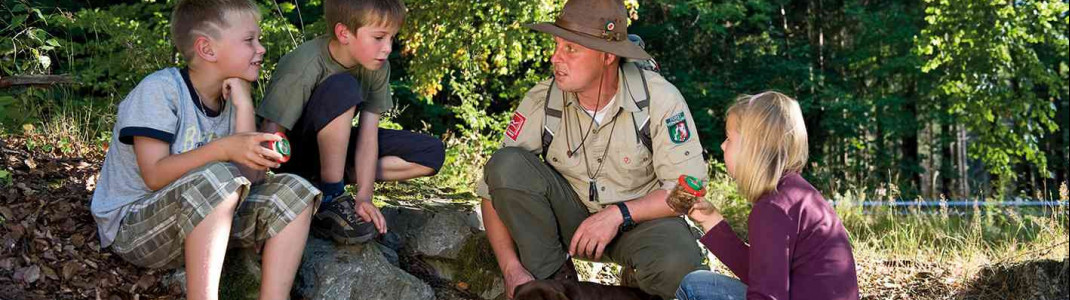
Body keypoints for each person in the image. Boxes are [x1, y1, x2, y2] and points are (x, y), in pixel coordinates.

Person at [475, 0, 710, 298]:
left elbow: (688, 191)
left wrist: (618, 214)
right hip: (569, 223)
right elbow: (491, 190)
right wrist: (511, 270)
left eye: (570, 49)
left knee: (679, 266)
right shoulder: (542, 101)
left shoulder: (659, 99)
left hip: (641, 224)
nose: (554, 57)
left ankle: (638, 289)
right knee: (506, 164)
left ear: (608, 56)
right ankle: (554, 286)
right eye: (556, 44)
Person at [90, 1, 320, 299]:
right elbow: (154, 175)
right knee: (218, 176)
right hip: (135, 227)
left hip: (204, 222)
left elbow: (252, 179)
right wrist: (224, 148)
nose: (261, 48)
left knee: (296, 190)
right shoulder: (160, 91)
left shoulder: (232, 99)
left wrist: (244, 104)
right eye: (249, 40)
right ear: (207, 49)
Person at [256, 0, 445, 244]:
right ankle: (330, 197)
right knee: (343, 86)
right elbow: (271, 132)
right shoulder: (304, 63)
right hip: (292, 154)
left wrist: (364, 197)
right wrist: (261, 198)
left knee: (431, 154)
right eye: (379, 38)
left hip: (335, 148)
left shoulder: (376, 66)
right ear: (344, 33)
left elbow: (368, 136)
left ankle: (326, 186)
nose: (387, 48)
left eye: (392, 38)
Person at [676, 91, 860, 300]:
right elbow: (761, 274)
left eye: (729, 138)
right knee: (700, 282)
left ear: (753, 147)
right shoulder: (792, 195)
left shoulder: (774, 208)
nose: (722, 145)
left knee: (693, 287)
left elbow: (767, 295)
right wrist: (711, 220)